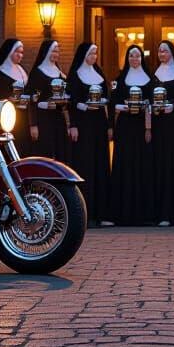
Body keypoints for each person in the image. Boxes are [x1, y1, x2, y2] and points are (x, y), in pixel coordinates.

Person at [108, 45, 155, 225]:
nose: (134, 59)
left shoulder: (150, 80)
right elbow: (113, 104)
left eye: (137, 56)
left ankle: (144, 215)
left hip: (142, 128)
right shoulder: (120, 79)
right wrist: (123, 107)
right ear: (127, 58)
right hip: (125, 127)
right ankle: (123, 214)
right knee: (124, 166)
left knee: (143, 166)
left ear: (141, 58)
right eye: (131, 56)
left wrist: (148, 128)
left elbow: (151, 104)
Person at [67, 41, 111, 227]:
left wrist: (109, 125)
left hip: (99, 124)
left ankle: (102, 213)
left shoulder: (99, 74)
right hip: (83, 125)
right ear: (83, 54)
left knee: (100, 164)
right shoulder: (75, 75)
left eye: (96, 53)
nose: (94, 56)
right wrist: (74, 124)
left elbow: (107, 97)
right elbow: (71, 100)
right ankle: (85, 213)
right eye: (91, 53)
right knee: (85, 164)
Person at [151, 40, 174, 226]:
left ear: (172, 53)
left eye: (165, 51)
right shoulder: (154, 74)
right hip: (158, 127)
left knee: (173, 166)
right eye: (159, 51)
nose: (162, 54)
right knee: (158, 166)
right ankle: (159, 213)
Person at [27, 40, 72, 163]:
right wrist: (33, 124)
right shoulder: (37, 72)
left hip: (58, 118)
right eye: (53, 51)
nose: (56, 54)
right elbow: (32, 99)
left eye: (57, 51)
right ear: (46, 52)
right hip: (43, 119)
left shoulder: (60, 73)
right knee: (45, 152)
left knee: (60, 152)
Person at [0, 39, 37, 152]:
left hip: (24, 117)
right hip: (8, 118)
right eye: (17, 51)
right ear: (9, 51)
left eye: (22, 52)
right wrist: (8, 99)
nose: (20, 55)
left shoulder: (22, 70)